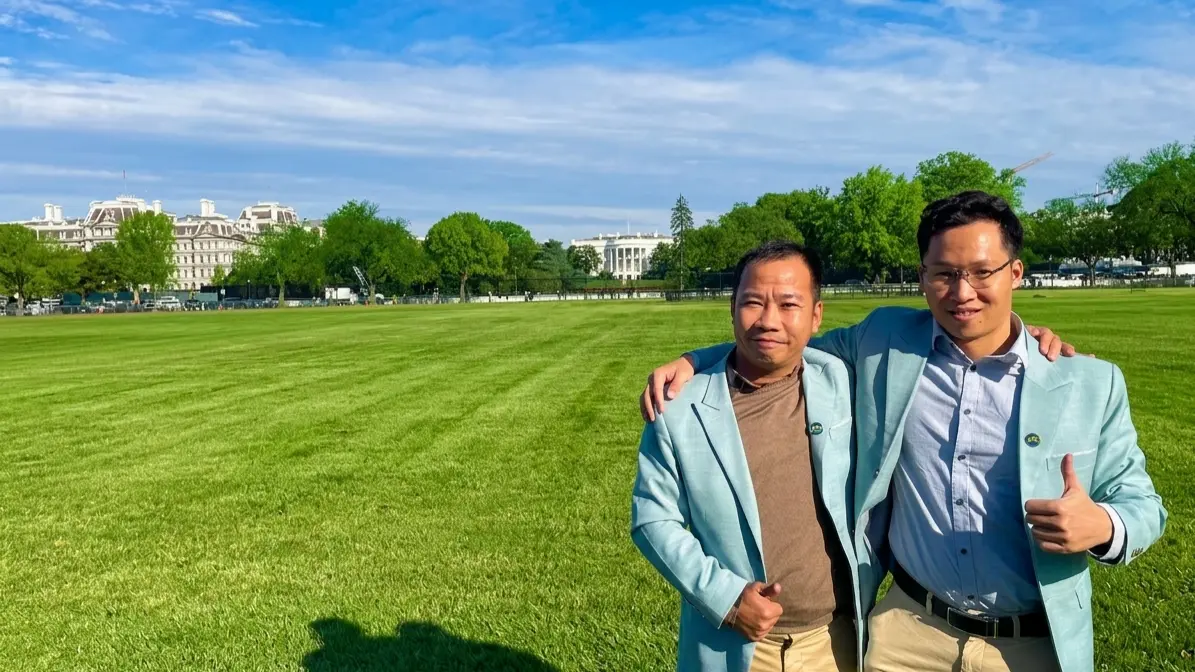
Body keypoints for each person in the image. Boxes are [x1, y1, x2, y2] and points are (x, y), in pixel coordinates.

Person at [640, 191, 1166, 672]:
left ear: (1017, 272)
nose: (963, 292)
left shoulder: (1087, 383)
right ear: (922, 276)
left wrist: (1104, 526)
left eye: (983, 272)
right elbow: (780, 341)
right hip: (907, 636)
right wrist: (695, 360)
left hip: (1031, 643)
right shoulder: (886, 344)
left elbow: (1144, 505)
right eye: (944, 273)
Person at [631, 242, 861, 672]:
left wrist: (1026, 334)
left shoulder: (844, 379)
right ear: (732, 307)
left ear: (816, 315)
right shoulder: (678, 406)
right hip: (736, 646)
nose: (769, 320)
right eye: (752, 302)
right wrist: (728, 600)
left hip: (838, 641)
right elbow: (652, 520)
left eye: (788, 304)